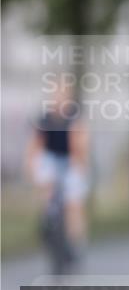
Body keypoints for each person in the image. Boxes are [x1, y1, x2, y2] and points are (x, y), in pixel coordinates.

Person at [26, 81, 90, 268]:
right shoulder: (45, 119)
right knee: (45, 176)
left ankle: (75, 243)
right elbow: (35, 147)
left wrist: (78, 165)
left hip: (71, 159)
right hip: (51, 160)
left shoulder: (75, 118)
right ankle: (48, 218)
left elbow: (80, 146)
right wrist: (31, 168)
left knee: (74, 201)